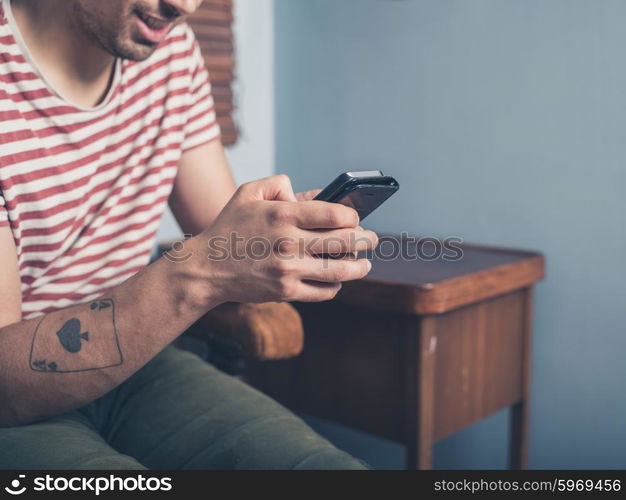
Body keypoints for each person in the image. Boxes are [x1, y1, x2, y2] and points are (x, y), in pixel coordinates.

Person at [0, 0, 378, 470]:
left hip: (141, 364)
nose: (184, 5)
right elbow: (5, 385)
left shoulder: (169, 51)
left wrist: (272, 237)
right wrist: (196, 275)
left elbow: (221, 232)